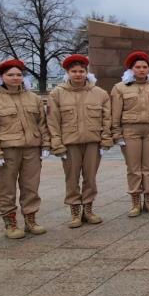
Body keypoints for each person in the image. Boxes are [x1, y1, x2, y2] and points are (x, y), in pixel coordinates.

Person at [0, 58, 50, 239]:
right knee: (7, 188)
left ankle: (30, 219)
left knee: (31, 187)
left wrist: (46, 144)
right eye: (10, 75)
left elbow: (42, 123)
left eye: (18, 74)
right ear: (1, 77)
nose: (15, 78)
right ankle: (10, 223)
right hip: (6, 151)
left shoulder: (33, 97)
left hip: (31, 149)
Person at [47, 53, 112, 228]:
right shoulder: (57, 94)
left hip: (92, 141)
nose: (78, 74)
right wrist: (56, 143)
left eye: (81, 71)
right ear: (68, 73)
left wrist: (106, 140)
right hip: (69, 143)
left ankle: (88, 209)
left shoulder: (99, 93)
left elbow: (107, 119)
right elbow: (52, 121)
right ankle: (75, 211)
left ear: (86, 72)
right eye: (74, 71)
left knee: (90, 178)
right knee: (72, 178)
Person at [110, 50, 149, 217]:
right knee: (134, 168)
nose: (142, 70)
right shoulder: (120, 88)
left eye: (144, 67)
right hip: (130, 130)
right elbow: (115, 113)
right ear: (131, 69)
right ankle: (135, 202)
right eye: (138, 67)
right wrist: (117, 134)